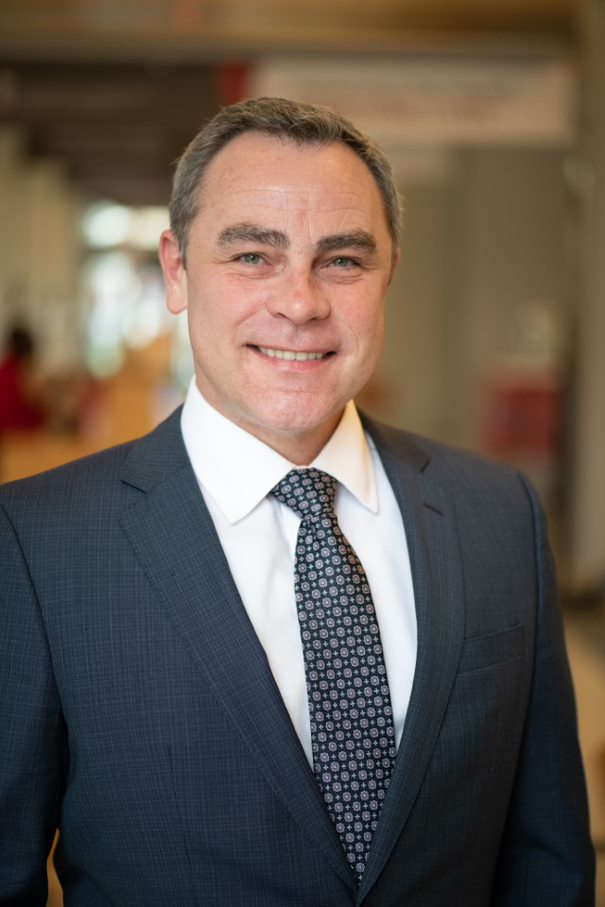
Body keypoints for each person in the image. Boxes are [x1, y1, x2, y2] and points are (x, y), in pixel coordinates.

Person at [0, 97, 595, 906]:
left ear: (388, 273)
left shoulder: (498, 515)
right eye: (252, 255)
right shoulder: (38, 545)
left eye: (342, 260)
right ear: (176, 271)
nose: (300, 302)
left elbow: (547, 863)